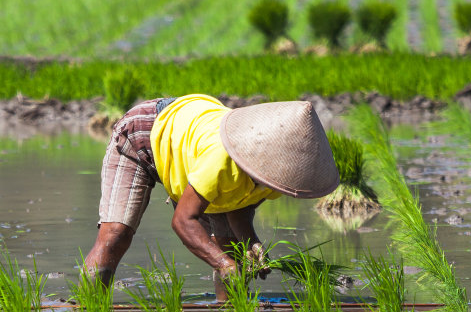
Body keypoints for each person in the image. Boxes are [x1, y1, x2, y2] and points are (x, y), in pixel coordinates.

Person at [83, 94, 339, 301]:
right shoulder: (221, 159)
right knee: (116, 235)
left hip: (190, 146)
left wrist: (250, 240)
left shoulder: (279, 176)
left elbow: (239, 203)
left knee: (233, 248)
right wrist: (222, 264)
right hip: (145, 134)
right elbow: (183, 220)